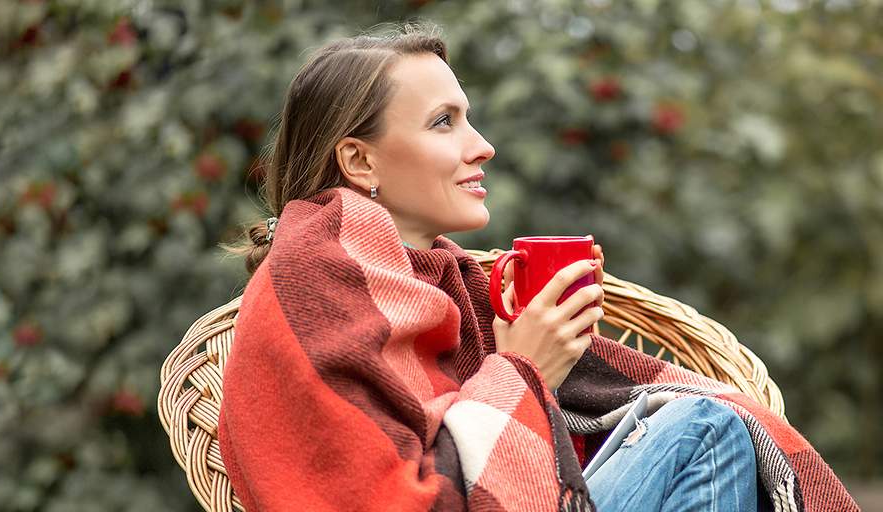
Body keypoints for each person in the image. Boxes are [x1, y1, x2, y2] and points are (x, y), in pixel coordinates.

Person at [217, 22, 856, 512]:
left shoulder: (438, 280)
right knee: (705, 431)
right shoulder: (316, 275)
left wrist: (557, 354)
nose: (482, 146)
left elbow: (474, 435)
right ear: (359, 162)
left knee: (710, 426)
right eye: (445, 123)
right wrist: (526, 368)